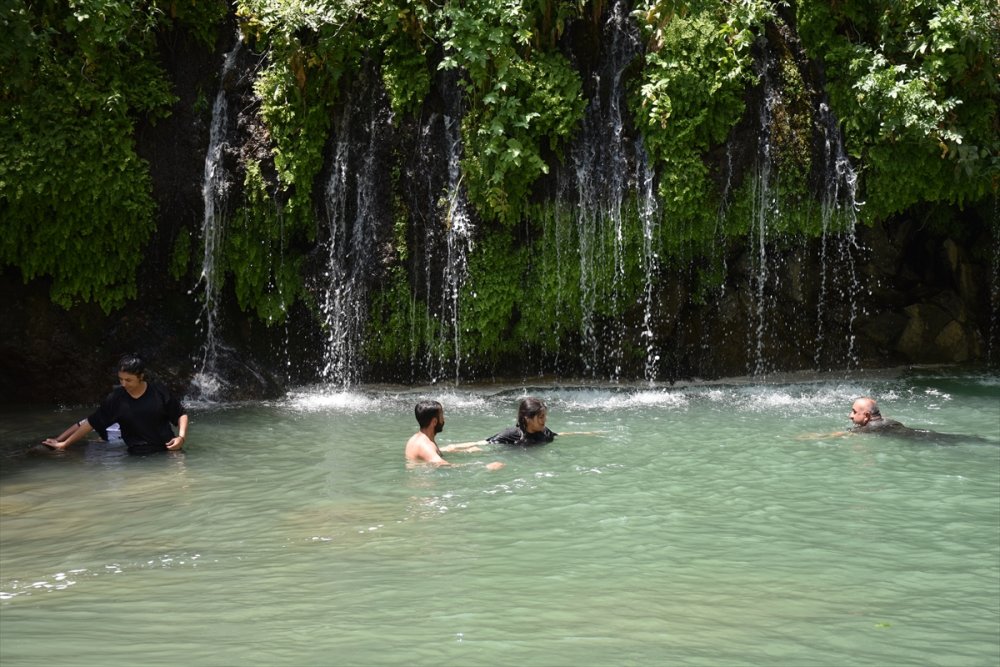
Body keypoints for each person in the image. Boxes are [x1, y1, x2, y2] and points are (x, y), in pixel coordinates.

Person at [42, 354, 188, 455]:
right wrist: (63, 443)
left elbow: (181, 414)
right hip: (137, 456)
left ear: (141, 376)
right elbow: (90, 423)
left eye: (128, 380)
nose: (124, 384)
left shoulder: (158, 391)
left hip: (169, 452)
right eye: (121, 379)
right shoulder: (116, 399)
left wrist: (181, 438)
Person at [405, 400, 504, 469]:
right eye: (442, 416)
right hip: (427, 491)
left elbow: (432, 453)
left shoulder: (418, 438)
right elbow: (442, 465)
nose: (444, 420)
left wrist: (465, 450)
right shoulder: (425, 445)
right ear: (434, 422)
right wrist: (483, 466)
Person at [487, 396, 557, 445]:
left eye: (545, 416)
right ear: (528, 418)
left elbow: (557, 435)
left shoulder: (545, 432)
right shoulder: (511, 434)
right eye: (541, 417)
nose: (545, 419)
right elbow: (486, 443)